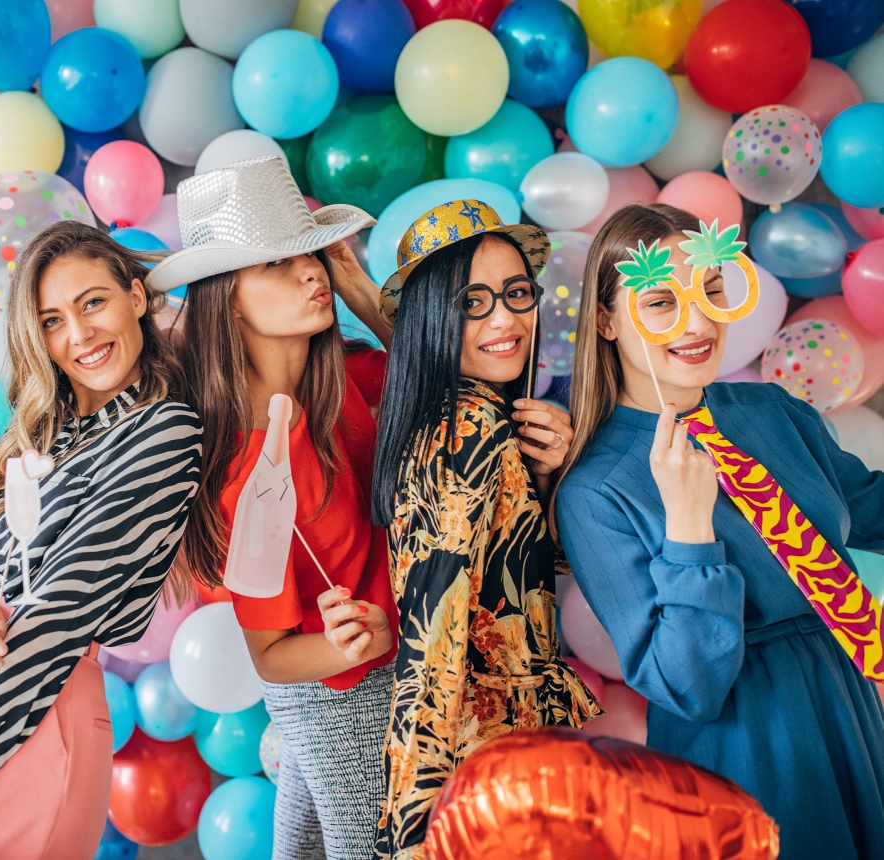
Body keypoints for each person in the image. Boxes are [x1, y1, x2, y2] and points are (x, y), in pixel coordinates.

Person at [554, 202, 884, 860]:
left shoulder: (772, 411)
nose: (698, 322)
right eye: (660, 302)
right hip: (750, 746)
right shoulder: (595, 490)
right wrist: (687, 527)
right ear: (605, 319)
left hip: (848, 707)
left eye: (709, 290)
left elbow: (869, 507)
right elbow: (688, 685)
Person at [0, 221, 202, 860]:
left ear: (136, 297)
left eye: (93, 303)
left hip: (39, 704)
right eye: (51, 320)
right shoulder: (34, 436)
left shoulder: (163, 431)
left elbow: (59, 614)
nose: (78, 336)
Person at [152, 156, 399, 860]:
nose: (308, 272)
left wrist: (355, 284)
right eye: (276, 264)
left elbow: (443, 375)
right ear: (227, 297)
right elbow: (272, 656)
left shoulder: (340, 378)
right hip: (342, 693)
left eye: (309, 254)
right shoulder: (236, 465)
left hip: (402, 670)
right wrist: (353, 644)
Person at [371, 200, 602, 860]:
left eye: (516, 294)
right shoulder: (465, 432)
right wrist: (411, 832)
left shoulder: (474, 422)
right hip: (480, 776)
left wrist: (554, 479)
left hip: (508, 760)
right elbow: (431, 645)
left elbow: (516, 579)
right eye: (473, 303)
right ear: (433, 320)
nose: (505, 320)